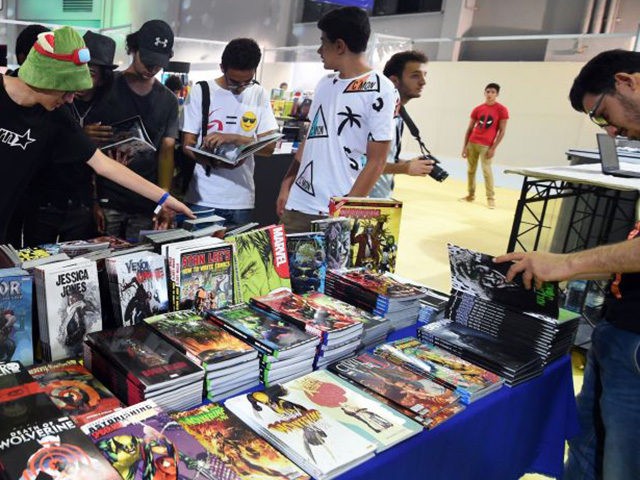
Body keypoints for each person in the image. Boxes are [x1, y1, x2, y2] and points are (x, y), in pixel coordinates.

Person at [494, 49, 640, 480]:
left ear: (627, 81)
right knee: (585, 446)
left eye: (601, 112)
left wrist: (566, 264)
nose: (610, 129)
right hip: (619, 330)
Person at [0, 25, 192, 245]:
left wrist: (164, 197)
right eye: (68, 90)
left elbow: (103, 165)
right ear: (48, 79)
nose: (71, 99)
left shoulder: (57, 115)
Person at [277, 6, 398, 233]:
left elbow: (377, 161)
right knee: (283, 268)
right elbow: (311, 139)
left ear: (340, 46)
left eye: (323, 42)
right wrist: (287, 183)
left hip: (335, 211)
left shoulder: (381, 90)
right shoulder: (325, 83)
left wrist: (345, 213)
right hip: (298, 205)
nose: (319, 50)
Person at [22, 30, 118, 246]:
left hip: (81, 201)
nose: (81, 83)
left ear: (103, 78)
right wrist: (79, 138)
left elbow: (102, 165)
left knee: (75, 263)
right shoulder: (50, 99)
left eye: (90, 74)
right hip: (44, 197)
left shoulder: (106, 108)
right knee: (34, 257)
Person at [92, 20, 180, 240]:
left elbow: (167, 152)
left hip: (144, 199)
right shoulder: (106, 85)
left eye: (158, 64)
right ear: (133, 49)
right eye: (148, 61)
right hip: (106, 196)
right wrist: (92, 198)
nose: (152, 69)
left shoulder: (168, 100)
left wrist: (164, 200)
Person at [181, 37, 279, 228]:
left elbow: (269, 148)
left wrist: (235, 138)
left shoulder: (258, 93)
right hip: (202, 197)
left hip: (241, 198)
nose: (240, 88)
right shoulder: (201, 91)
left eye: (246, 82)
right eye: (234, 82)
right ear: (222, 67)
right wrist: (210, 160)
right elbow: (187, 144)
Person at [370, 50, 434, 198]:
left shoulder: (397, 115)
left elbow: (385, 158)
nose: (423, 82)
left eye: (424, 75)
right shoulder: (380, 116)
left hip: (379, 198)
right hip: (363, 201)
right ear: (394, 81)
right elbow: (362, 162)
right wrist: (406, 168)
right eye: (415, 76)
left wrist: (408, 163)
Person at [460, 82, 509, 209]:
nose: (490, 94)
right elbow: (470, 128)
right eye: (488, 91)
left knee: (487, 171)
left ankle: (490, 198)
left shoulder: (501, 110)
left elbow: (502, 131)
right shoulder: (478, 109)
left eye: (493, 92)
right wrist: (465, 146)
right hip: (472, 142)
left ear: (497, 94)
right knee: (471, 170)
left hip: (486, 146)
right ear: (484, 93)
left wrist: (493, 148)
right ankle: (470, 195)